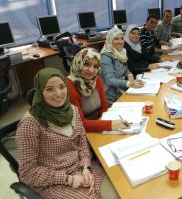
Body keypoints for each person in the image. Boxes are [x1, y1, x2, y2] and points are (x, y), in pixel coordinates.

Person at [16, 68, 119, 199]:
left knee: (117, 190)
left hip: (80, 169)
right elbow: (27, 173)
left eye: (61, 87)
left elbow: (82, 143)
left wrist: (86, 168)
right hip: (53, 181)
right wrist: (68, 179)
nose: (58, 94)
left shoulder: (73, 110)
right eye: (49, 89)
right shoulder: (30, 124)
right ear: (40, 92)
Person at [67, 48, 129, 132]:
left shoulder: (96, 80)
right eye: (87, 64)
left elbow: (104, 108)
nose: (91, 70)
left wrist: (107, 123)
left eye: (96, 66)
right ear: (79, 63)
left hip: (99, 123)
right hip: (83, 131)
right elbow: (80, 124)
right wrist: (109, 125)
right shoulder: (70, 85)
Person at [101, 27, 144, 105]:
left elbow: (125, 68)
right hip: (112, 98)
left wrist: (130, 75)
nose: (120, 42)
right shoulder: (105, 56)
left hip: (122, 91)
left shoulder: (121, 52)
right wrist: (129, 83)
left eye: (122, 38)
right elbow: (109, 80)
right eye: (116, 39)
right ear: (110, 40)